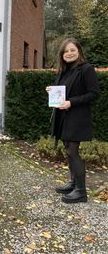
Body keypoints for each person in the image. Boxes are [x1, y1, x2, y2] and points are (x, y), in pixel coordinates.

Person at [46, 38, 99, 204]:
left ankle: (81, 192)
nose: (69, 53)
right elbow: (64, 93)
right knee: (67, 149)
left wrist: (71, 102)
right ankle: (74, 183)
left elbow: (94, 94)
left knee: (72, 152)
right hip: (63, 116)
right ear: (62, 55)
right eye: (66, 51)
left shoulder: (86, 69)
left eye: (72, 50)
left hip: (77, 116)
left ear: (79, 52)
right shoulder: (64, 71)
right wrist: (52, 91)